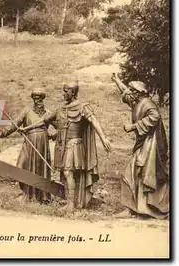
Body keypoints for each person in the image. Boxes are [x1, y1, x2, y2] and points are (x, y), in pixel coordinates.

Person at [19, 82, 112, 212]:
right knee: (66, 173)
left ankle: (71, 205)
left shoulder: (82, 107)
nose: (63, 94)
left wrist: (103, 138)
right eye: (63, 91)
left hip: (74, 144)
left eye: (66, 91)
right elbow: (42, 121)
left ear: (73, 92)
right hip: (63, 146)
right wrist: (26, 128)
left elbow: (94, 121)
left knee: (69, 172)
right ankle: (72, 202)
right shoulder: (61, 108)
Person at [111, 74, 169, 219]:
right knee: (134, 172)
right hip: (143, 143)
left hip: (151, 144)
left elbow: (154, 118)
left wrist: (133, 127)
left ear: (138, 92)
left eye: (132, 90)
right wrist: (117, 81)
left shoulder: (148, 104)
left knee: (138, 172)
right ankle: (133, 208)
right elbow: (125, 93)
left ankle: (145, 208)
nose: (129, 92)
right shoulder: (137, 101)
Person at [0, 88, 55, 204]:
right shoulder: (27, 111)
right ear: (32, 99)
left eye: (39, 97)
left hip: (42, 144)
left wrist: (52, 134)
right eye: (35, 97)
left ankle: (42, 197)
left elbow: (60, 127)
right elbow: (15, 124)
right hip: (29, 143)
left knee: (41, 169)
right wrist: (2, 133)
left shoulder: (48, 113)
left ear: (43, 98)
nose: (37, 100)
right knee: (21, 166)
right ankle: (25, 193)